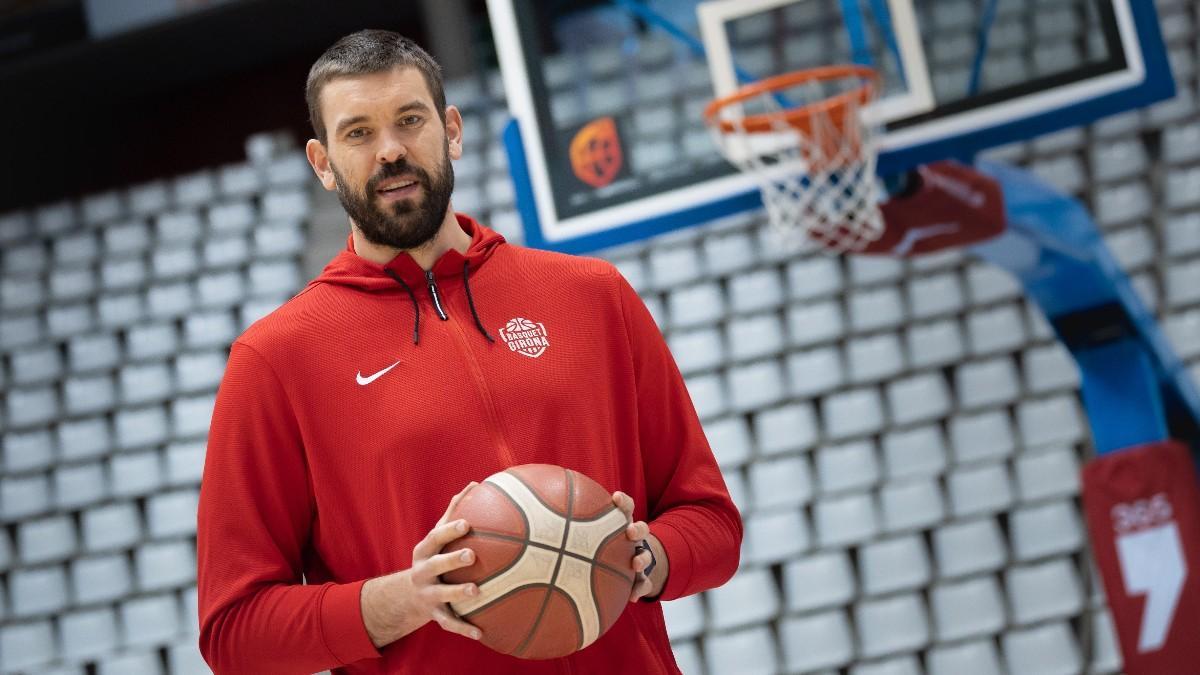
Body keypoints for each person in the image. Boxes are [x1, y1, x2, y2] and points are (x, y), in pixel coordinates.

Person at [196, 29, 742, 674]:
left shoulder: (593, 294)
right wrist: (406, 599)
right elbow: (235, 633)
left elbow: (712, 524)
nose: (390, 150)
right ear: (322, 163)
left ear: (451, 130)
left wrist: (642, 558)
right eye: (358, 133)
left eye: (410, 120)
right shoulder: (276, 359)